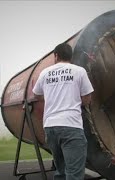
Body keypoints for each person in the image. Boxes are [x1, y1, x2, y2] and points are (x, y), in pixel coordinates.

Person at [33, 43, 94, 180]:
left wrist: (50, 97)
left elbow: (36, 94)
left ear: (56, 56)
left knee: (61, 172)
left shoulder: (45, 73)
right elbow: (87, 98)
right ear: (70, 56)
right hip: (71, 126)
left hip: (50, 127)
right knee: (74, 174)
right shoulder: (79, 71)